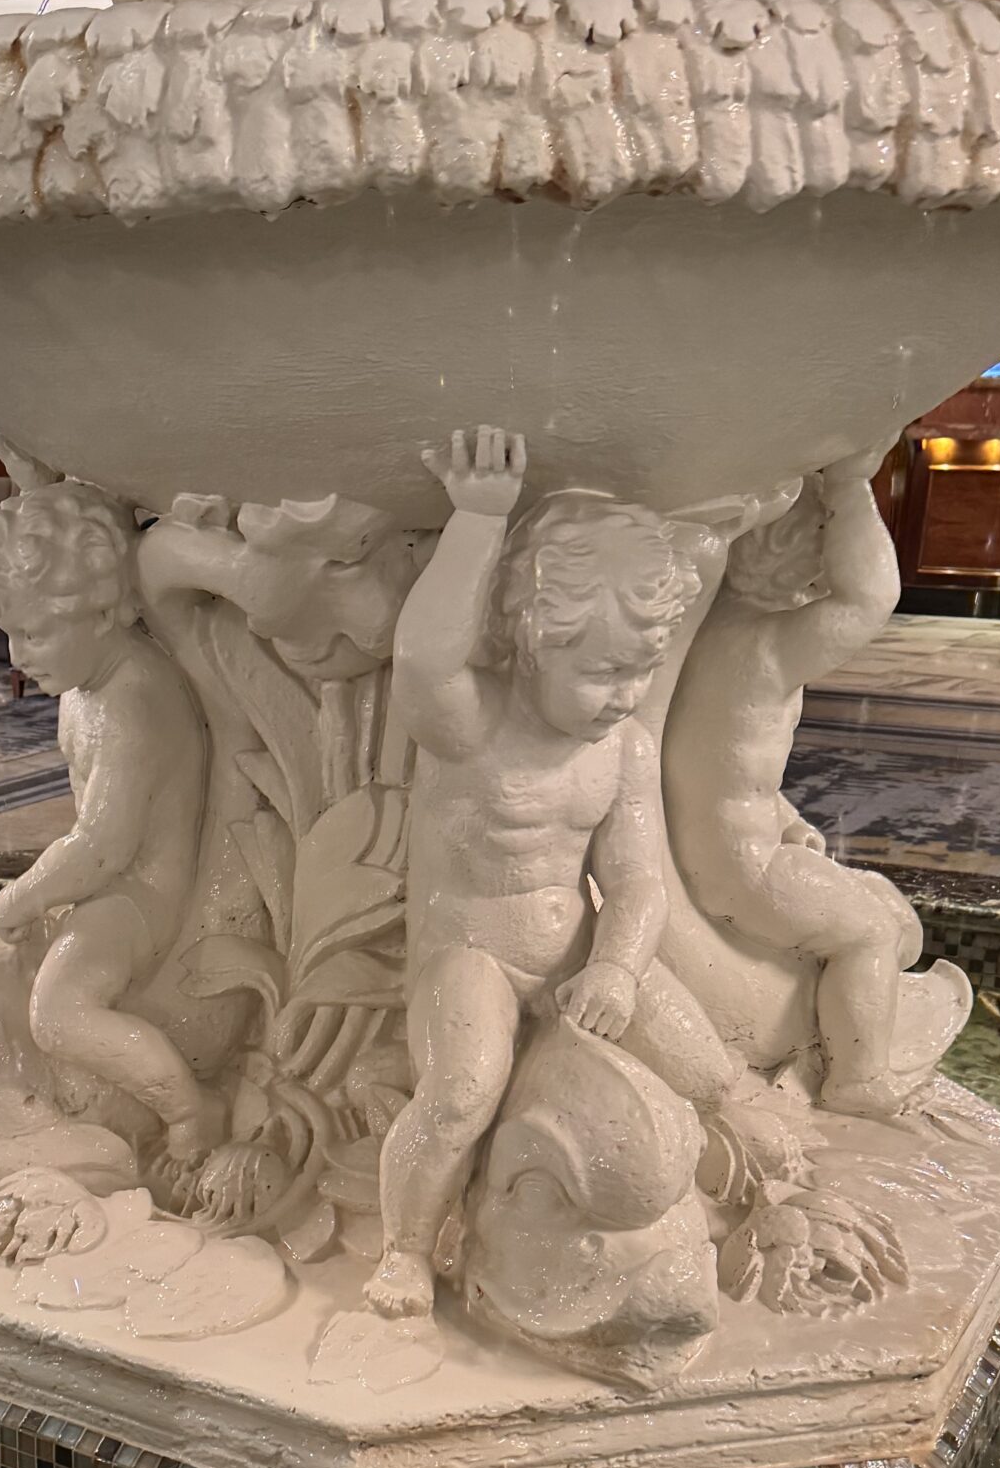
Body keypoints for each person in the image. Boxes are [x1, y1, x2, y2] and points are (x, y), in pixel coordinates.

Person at [367, 426, 705, 1320]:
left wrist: (617, 969)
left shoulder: (621, 750)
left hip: (579, 960)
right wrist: (479, 518)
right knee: (460, 1093)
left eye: (639, 671)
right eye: (600, 672)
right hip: (470, 957)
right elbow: (424, 658)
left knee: (701, 1064)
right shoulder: (470, 727)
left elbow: (636, 884)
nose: (624, 696)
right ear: (530, 640)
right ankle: (405, 1248)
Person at [662, 449, 969, 1117]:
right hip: (744, 869)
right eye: (826, 547)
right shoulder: (769, 642)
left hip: (731, 846)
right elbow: (871, 598)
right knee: (871, 931)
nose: (828, 576)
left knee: (878, 901)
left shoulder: (719, 628)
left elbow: (723, 766)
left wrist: (785, 815)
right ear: (802, 555)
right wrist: (850, 487)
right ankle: (857, 1081)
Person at [0, 480, 228, 1177]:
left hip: (140, 894)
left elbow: (102, 846)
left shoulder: (131, 702)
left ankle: (189, 1109)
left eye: (35, 633)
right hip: (106, 881)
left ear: (101, 607)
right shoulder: (88, 686)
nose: (17, 655)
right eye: (11, 634)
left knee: (57, 1012)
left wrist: (23, 896)